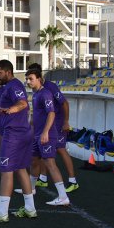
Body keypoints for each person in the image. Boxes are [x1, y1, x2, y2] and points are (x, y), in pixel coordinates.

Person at [0, 59, 37, 222]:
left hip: (14, 134)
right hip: (22, 132)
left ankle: (2, 213)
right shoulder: (9, 86)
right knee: (21, 169)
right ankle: (30, 209)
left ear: (8, 71)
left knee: (6, 171)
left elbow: (22, 103)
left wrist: (11, 109)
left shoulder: (14, 86)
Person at [27, 63, 79, 192]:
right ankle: (43, 179)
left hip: (57, 123)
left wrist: (66, 121)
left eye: (31, 77)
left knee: (60, 149)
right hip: (46, 125)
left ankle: (72, 181)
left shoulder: (50, 87)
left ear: (39, 76)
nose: (28, 81)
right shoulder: (36, 92)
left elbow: (64, 103)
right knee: (42, 152)